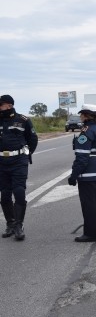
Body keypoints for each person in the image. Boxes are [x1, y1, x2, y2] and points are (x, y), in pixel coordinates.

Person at [67, 104, 96, 242]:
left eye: (82, 114)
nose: (80, 117)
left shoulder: (86, 131)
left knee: (88, 204)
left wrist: (74, 176)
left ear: (87, 115)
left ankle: (90, 233)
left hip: (87, 174)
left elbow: (81, 157)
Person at [0, 95, 38, 241]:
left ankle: (19, 225)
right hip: (2, 162)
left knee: (19, 192)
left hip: (19, 161)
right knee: (4, 195)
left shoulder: (23, 120)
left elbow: (32, 139)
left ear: (9, 105)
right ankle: (10, 223)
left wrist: (25, 155)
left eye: (0, 105)